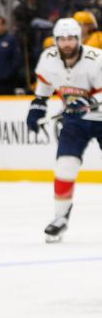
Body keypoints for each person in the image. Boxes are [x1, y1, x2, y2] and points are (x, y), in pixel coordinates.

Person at [26, 18, 102, 243]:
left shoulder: (96, 59)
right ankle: (60, 218)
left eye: (71, 39)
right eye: (62, 39)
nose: (67, 43)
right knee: (65, 167)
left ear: (79, 39)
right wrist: (37, 106)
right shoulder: (48, 58)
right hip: (75, 122)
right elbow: (44, 86)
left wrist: (87, 102)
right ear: (56, 40)